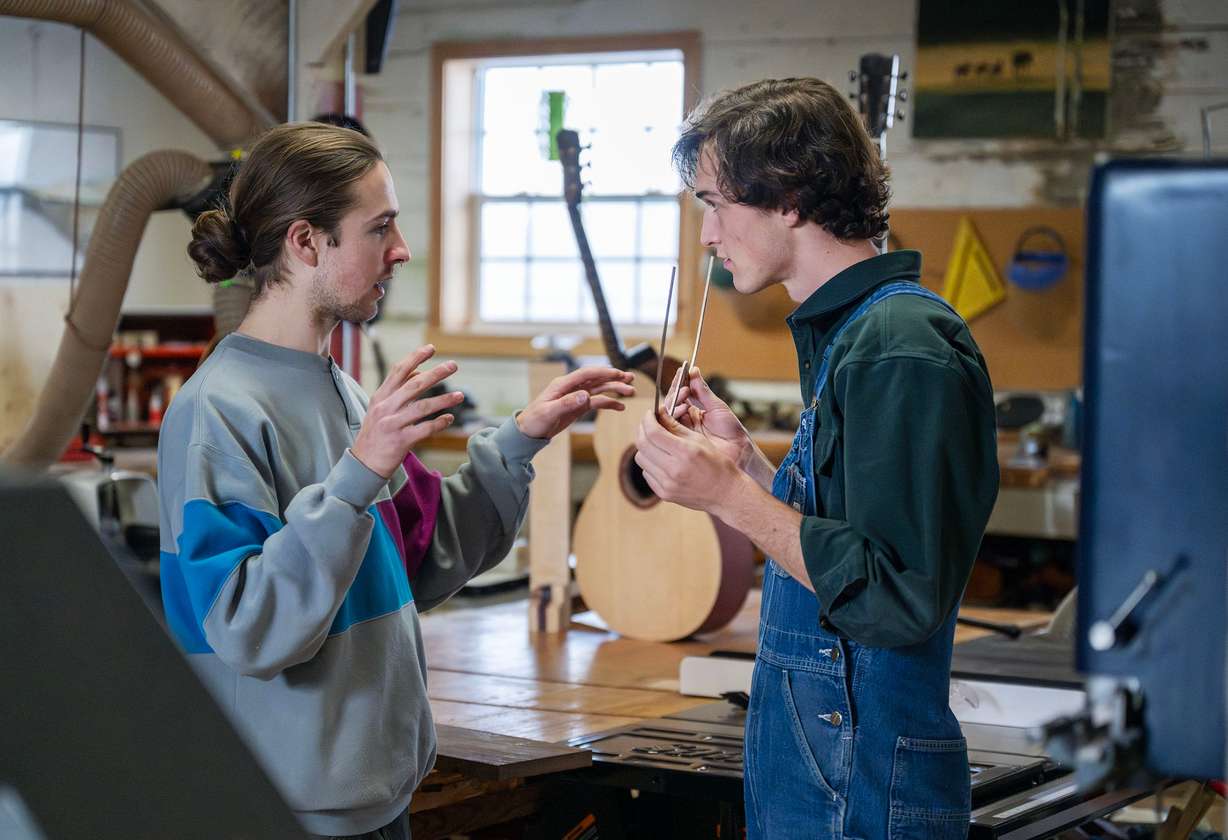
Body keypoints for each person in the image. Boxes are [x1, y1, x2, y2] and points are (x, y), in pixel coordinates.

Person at [159, 122, 634, 839]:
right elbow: (245, 626)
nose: (401, 251)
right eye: (379, 228)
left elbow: (423, 555)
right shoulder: (216, 412)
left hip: (377, 805)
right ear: (306, 242)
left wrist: (519, 439)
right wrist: (356, 476)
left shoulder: (344, 393)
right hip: (285, 815)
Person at [634, 78, 998, 839]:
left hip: (860, 784)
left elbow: (893, 598)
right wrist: (748, 469)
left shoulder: (896, 346)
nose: (707, 234)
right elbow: (847, 539)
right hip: (826, 768)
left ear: (789, 196)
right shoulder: (856, 337)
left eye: (714, 204)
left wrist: (729, 499)